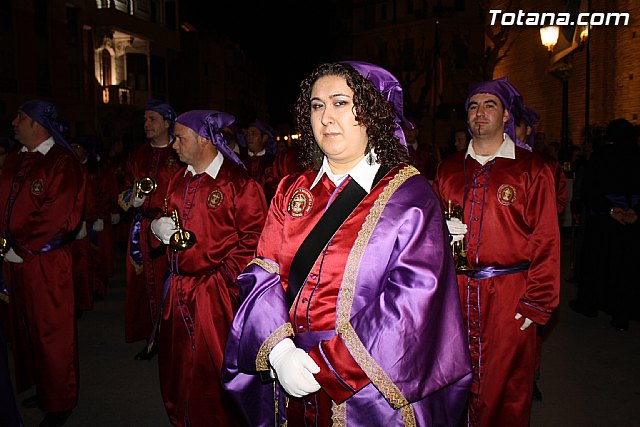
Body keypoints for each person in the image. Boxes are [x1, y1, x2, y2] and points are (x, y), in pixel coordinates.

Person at [222, 61, 472, 426]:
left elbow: (414, 300)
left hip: (369, 390)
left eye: (340, 103)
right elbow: (263, 271)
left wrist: (328, 366)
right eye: (316, 105)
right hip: (290, 366)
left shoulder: (411, 196)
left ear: (372, 112)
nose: (325, 117)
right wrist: (278, 352)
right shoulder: (292, 189)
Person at [432, 77, 561, 427]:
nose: (480, 113)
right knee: (454, 382)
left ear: (506, 115)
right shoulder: (449, 169)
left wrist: (539, 300)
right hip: (457, 293)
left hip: (509, 294)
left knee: (506, 389)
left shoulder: (532, 169)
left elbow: (547, 238)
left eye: (490, 105)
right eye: (473, 106)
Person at [149, 110, 267, 426]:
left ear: (204, 140)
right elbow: (166, 217)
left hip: (215, 295)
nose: (174, 144)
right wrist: (158, 228)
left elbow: (254, 240)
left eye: (180, 138)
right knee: (178, 364)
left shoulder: (238, 183)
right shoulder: (178, 179)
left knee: (213, 369)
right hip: (177, 289)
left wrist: (220, 282)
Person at [0, 99, 86, 427]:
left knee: (52, 331)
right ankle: (44, 386)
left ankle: (61, 399)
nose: (13, 122)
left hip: (46, 260)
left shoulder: (62, 163)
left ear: (37, 124)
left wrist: (21, 247)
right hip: (15, 259)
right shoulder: (14, 160)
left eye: (19, 117)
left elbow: (58, 214)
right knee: (26, 328)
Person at [117, 99, 183, 359]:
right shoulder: (138, 155)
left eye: (152, 119)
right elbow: (124, 187)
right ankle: (149, 339)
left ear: (167, 123)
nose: (146, 124)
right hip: (141, 228)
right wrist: (131, 198)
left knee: (168, 285)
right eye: (144, 120)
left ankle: (170, 338)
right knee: (143, 287)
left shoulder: (178, 152)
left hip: (168, 230)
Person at [570, 118, 640, 331]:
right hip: (633, 222)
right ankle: (623, 313)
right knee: (628, 268)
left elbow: (590, 190)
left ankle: (591, 304)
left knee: (600, 263)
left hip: (605, 222)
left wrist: (611, 210)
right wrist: (635, 211)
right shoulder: (637, 156)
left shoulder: (601, 156)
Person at [240, 119, 277, 203]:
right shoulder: (239, 161)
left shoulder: (273, 161)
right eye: (248, 134)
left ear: (264, 138)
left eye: (253, 134)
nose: (249, 137)